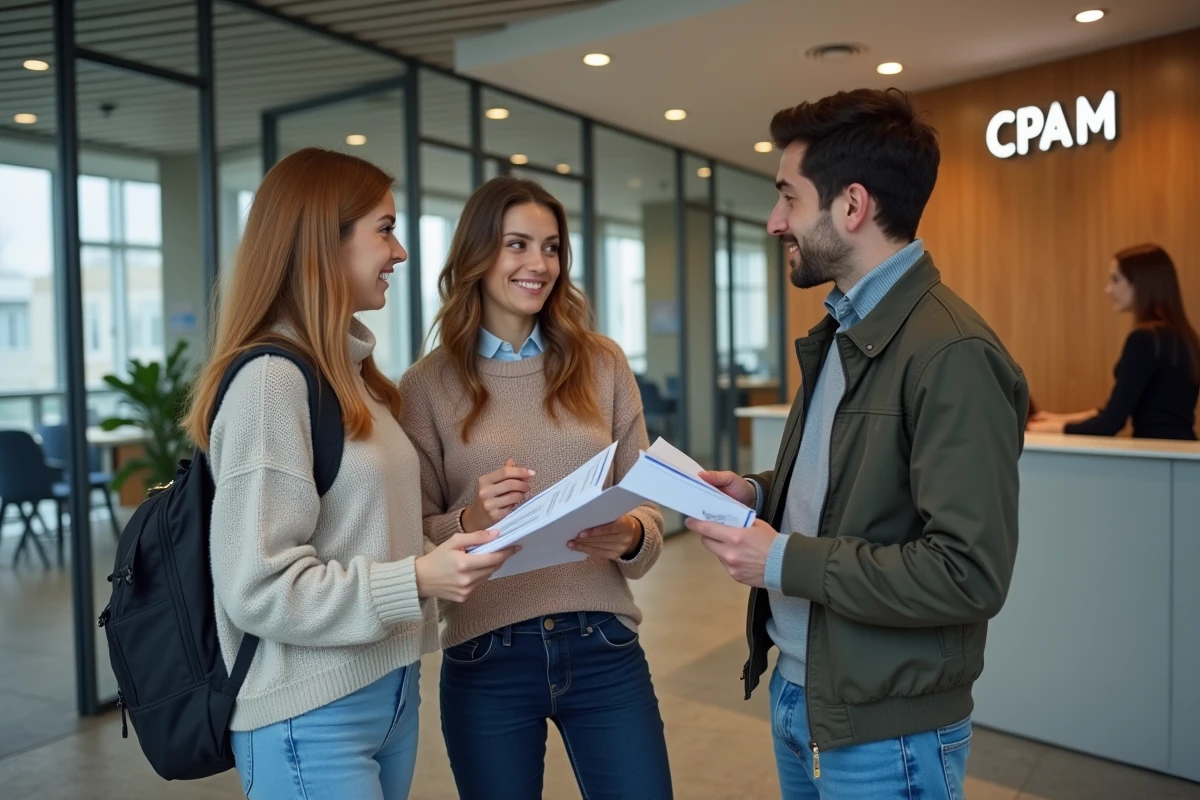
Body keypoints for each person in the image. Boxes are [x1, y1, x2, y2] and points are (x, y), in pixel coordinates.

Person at [687, 89, 1028, 799]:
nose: (776, 221)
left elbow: (968, 574)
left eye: (789, 197)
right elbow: (850, 485)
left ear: (851, 207)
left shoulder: (951, 353)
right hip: (807, 690)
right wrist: (757, 491)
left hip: (886, 728)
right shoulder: (846, 329)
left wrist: (781, 558)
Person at [183, 148, 515, 800]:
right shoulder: (271, 382)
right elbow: (258, 587)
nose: (401, 253)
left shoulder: (356, 379)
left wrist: (451, 547)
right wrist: (421, 576)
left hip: (385, 690)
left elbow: (364, 540)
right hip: (309, 712)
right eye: (385, 229)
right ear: (321, 243)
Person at [398, 175, 673, 800]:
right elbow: (412, 537)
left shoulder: (601, 363)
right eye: (517, 245)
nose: (539, 264)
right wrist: (468, 520)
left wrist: (629, 534)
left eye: (551, 248)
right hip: (486, 653)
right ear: (477, 256)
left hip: (602, 642)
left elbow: (648, 513)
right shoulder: (427, 385)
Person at [1027, 244, 1200, 440]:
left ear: (1141, 283)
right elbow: (1114, 410)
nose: (1108, 290)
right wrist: (1055, 419)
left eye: (1116, 280)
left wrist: (1053, 429)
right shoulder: (1185, 337)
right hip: (1184, 454)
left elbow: (1111, 422)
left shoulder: (1145, 339)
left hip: (1157, 456)